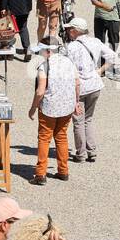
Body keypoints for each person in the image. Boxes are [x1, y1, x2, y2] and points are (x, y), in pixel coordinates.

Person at [63, 16, 116, 163]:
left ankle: (80, 153)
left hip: (79, 87)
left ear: (74, 31)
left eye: (69, 29)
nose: (67, 32)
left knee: (78, 121)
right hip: (95, 85)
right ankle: (91, 151)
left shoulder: (71, 47)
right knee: (89, 119)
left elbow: (67, 68)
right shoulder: (95, 42)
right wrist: (100, 71)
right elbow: (112, 56)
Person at [28, 36, 80, 185]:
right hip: (67, 106)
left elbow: (40, 91)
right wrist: (76, 102)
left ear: (48, 51)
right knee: (61, 136)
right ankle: (63, 171)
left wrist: (33, 108)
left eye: (41, 51)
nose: (40, 54)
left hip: (49, 107)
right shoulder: (69, 62)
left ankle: (40, 174)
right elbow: (77, 83)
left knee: (44, 138)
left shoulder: (45, 66)